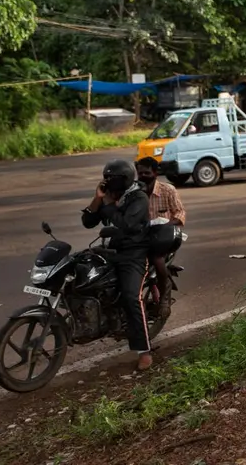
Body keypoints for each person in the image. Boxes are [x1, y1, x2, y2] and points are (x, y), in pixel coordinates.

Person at [81, 159, 154, 371]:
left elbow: (127, 224)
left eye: (113, 179)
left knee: (132, 297)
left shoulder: (138, 197)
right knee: (81, 271)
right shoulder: (110, 197)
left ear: (125, 179)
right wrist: (98, 199)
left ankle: (144, 351)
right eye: (107, 178)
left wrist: (110, 204)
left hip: (134, 254)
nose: (109, 182)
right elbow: (88, 222)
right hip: (111, 250)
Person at [136, 157, 187, 320]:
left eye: (146, 172)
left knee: (156, 257)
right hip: (141, 237)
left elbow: (180, 213)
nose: (143, 176)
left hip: (165, 236)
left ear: (155, 173)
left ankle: (164, 296)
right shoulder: (135, 193)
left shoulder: (167, 190)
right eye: (140, 173)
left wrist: (165, 224)